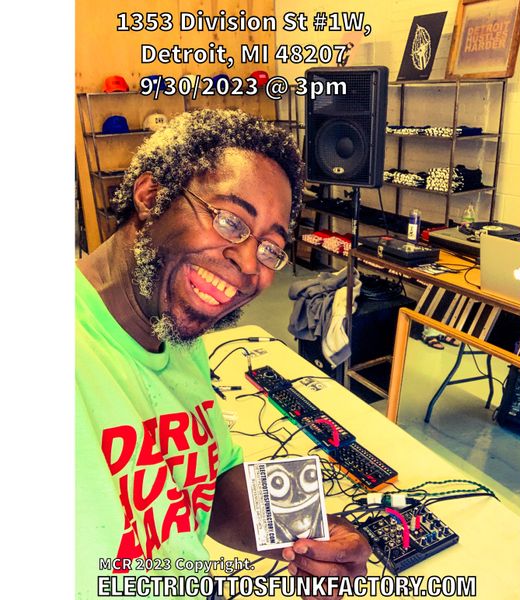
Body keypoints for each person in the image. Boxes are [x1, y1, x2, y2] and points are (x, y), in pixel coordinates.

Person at [76, 109, 371, 598]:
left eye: (271, 248)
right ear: (151, 196)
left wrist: (314, 532)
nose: (250, 264)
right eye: (231, 221)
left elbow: (207, 484)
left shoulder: (176, 332)